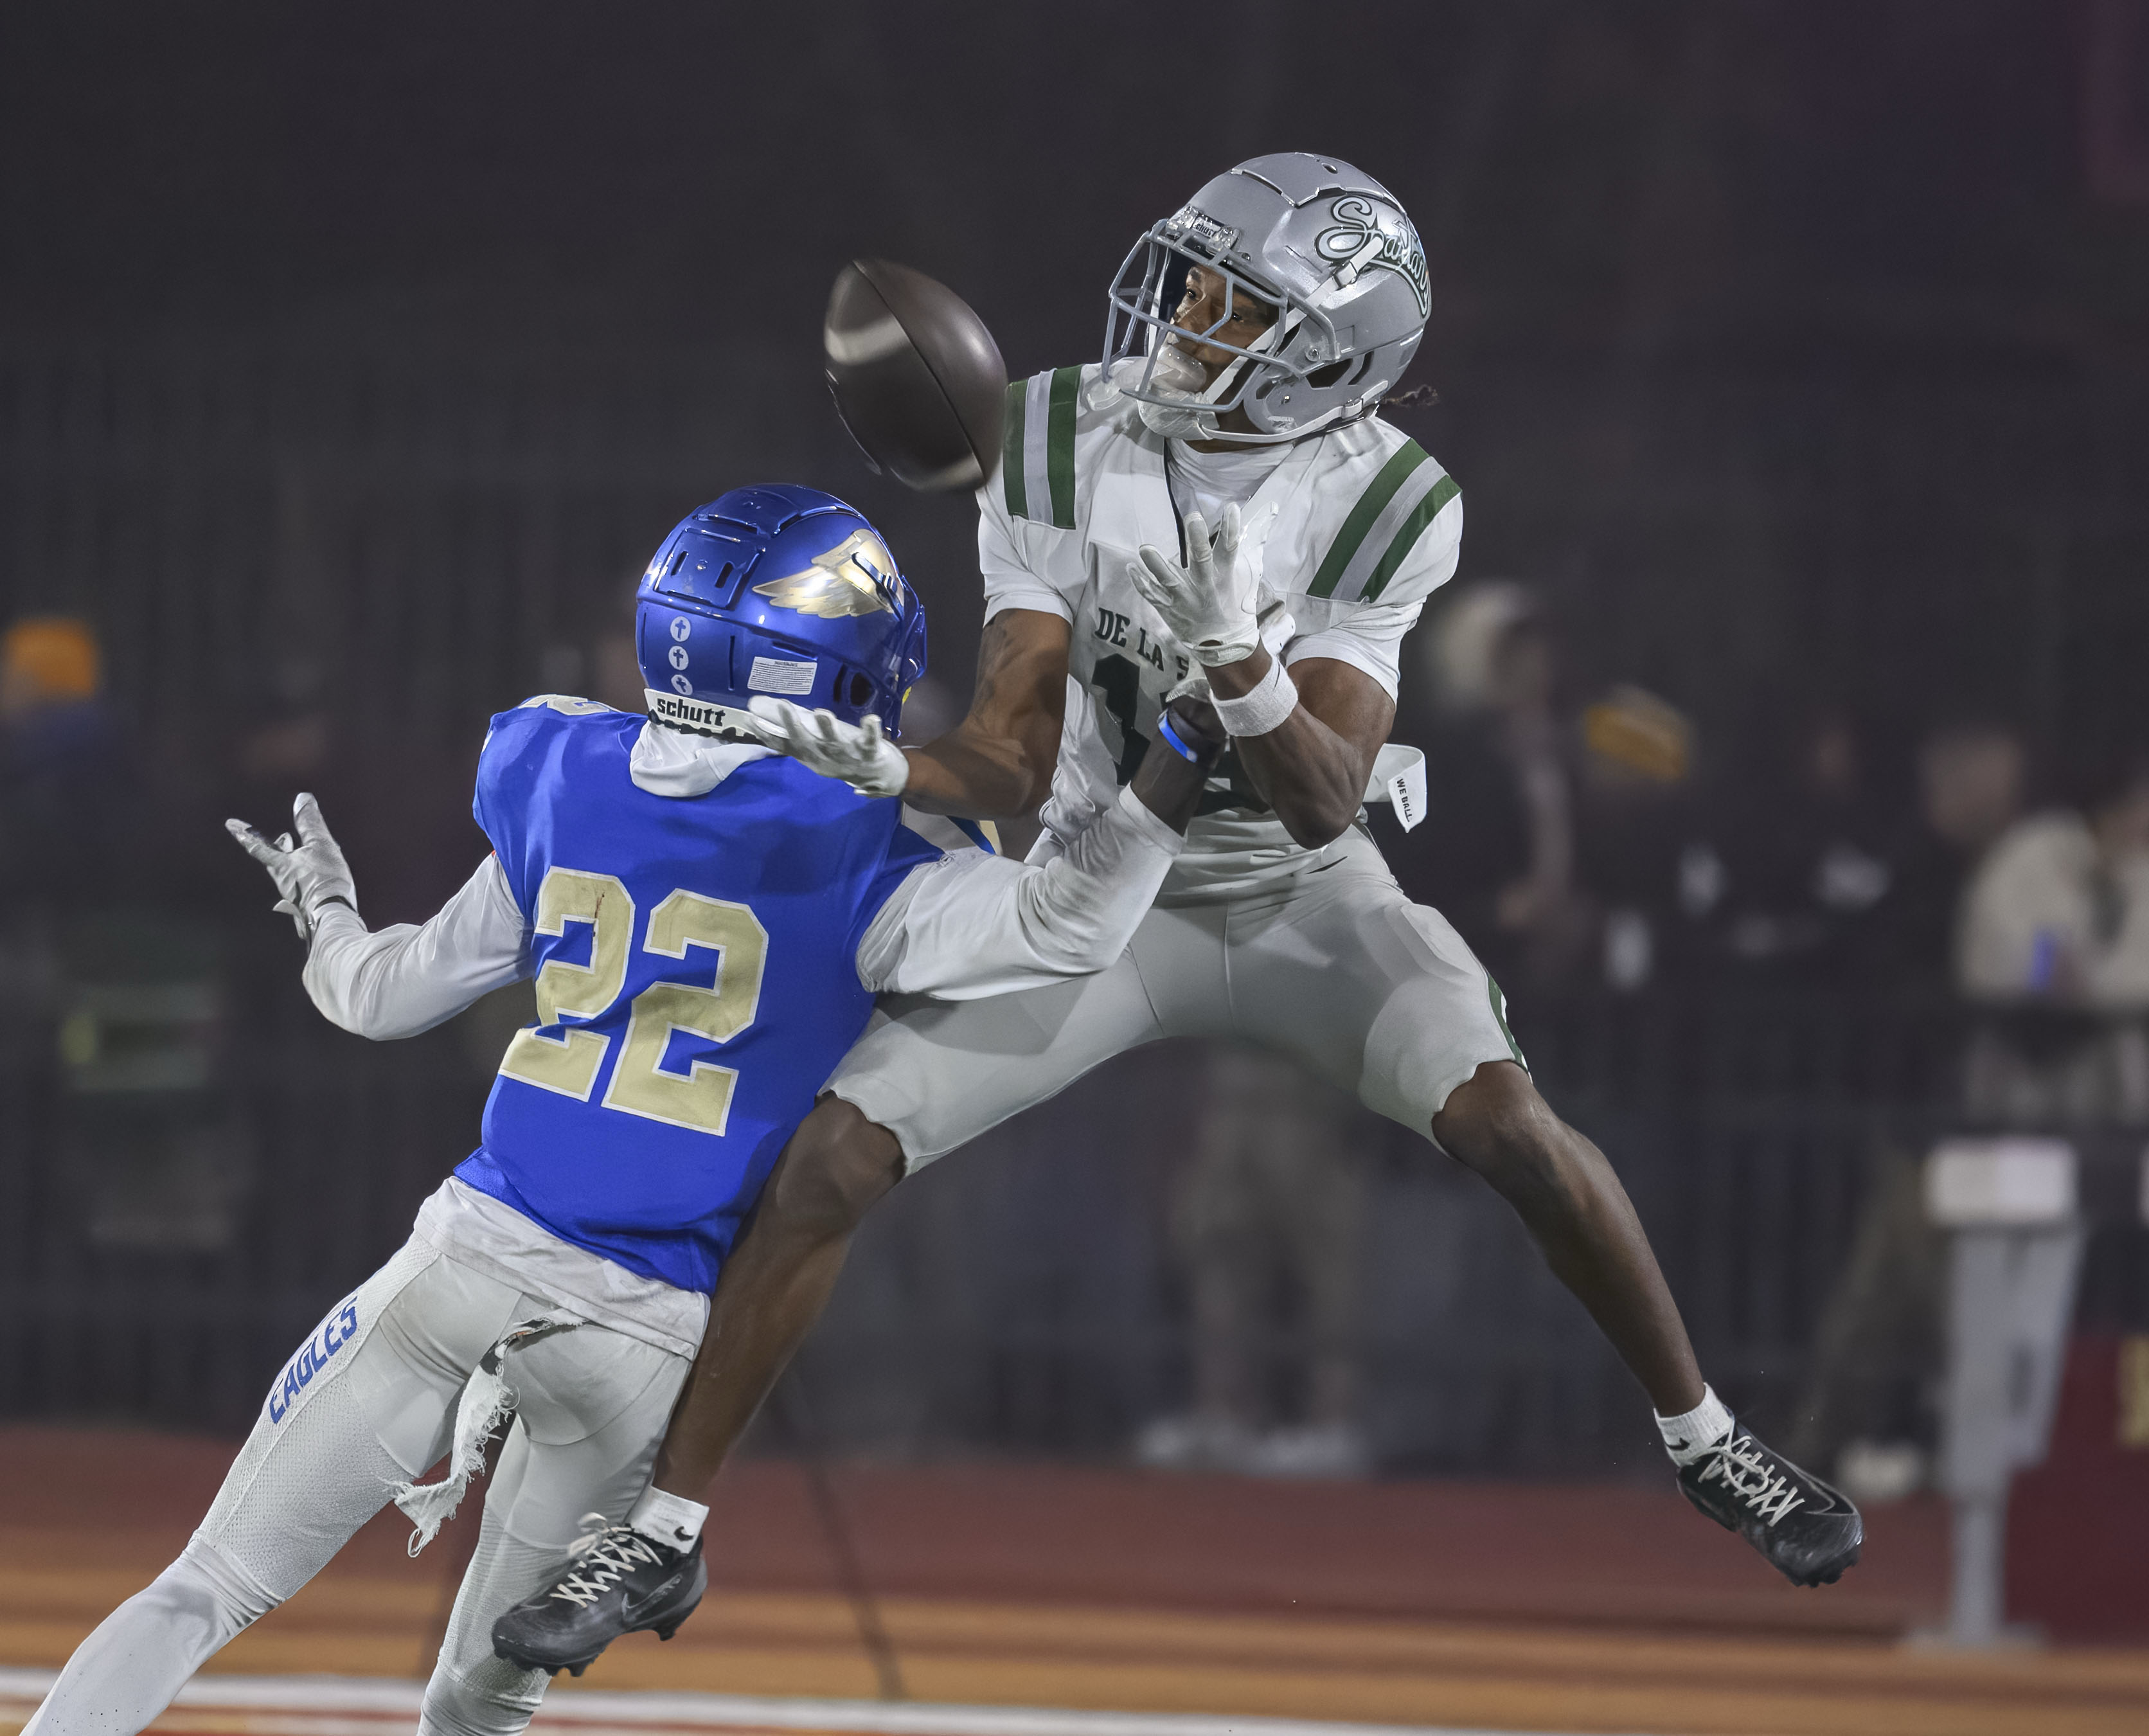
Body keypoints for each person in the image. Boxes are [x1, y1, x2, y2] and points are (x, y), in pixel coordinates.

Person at [495, 155, 1862, 1673]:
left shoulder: (1393, 503)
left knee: (1506, 1126)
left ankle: (1706, 1439)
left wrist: (1243, 664)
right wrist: (891, 764)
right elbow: (1014, 745)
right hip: (1101, 872)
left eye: (1233, 302)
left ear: (1335, 359)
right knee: (833, 1155)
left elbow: (1322, 798)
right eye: (1189, 275)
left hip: (1295, 890)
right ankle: (662, 1534)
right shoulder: (1060, 434)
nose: (1182, 314)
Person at [24, 485, 1227, 1735]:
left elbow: (377, 998)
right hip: (646, 1331)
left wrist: (325, 913)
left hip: (469, 1260)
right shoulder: (879, 840)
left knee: (203, 1586)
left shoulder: (565, 765)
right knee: (475, 1706)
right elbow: (1073, 927)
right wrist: (1184, 731)